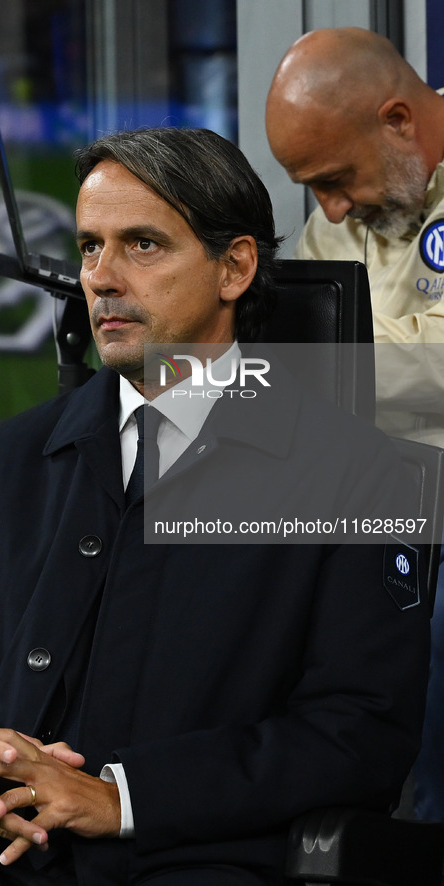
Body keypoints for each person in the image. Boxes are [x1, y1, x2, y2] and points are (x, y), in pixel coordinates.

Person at [0, 127, 430, 886]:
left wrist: (118, 797)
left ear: (235, 267)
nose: (100, 277)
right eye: (90, 247)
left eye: (143, 245)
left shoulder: (358, 475)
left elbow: (357, 733)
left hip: (186, 860)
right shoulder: (8, 459)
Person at [265, 27, 444, 823]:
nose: (329, 208)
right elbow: (298, 345)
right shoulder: (343, 210)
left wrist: (320, 369)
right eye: (312, 188)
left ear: (398, 119)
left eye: (335, 179)